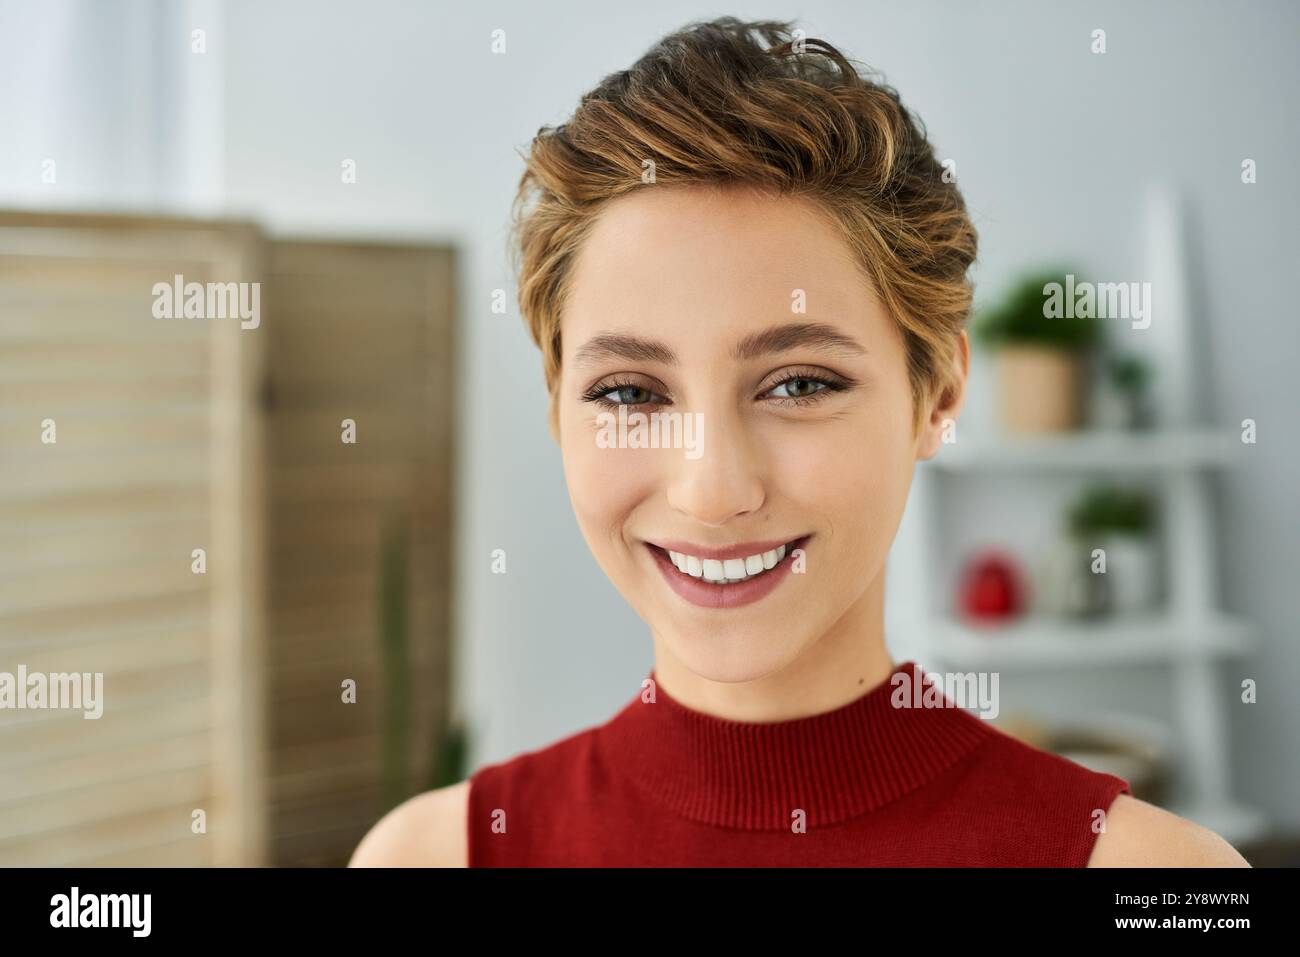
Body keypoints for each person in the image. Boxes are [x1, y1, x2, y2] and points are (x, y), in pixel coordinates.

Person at [351, 16, 1248, 868]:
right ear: (559, 411)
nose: (713, 488)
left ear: (936, 393)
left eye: (800, 384)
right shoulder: (431, 856)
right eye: (630, 391)